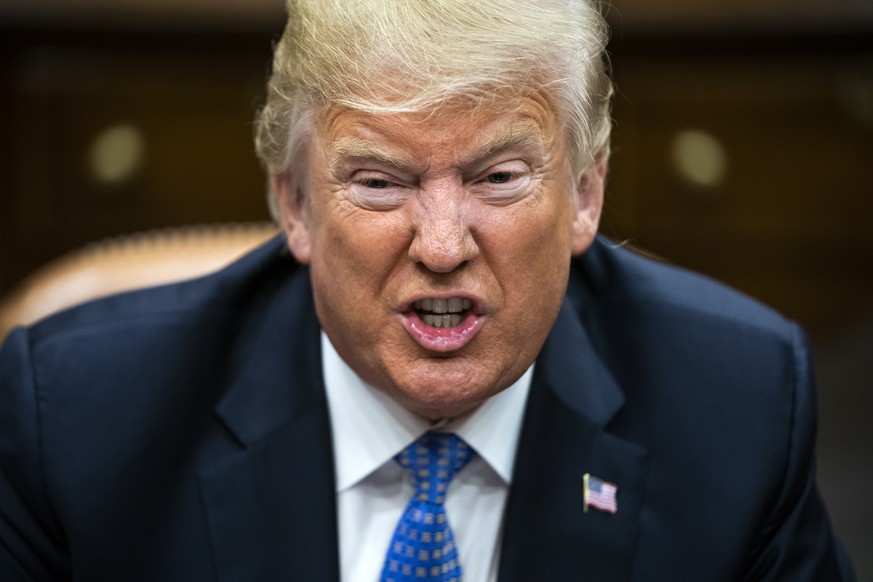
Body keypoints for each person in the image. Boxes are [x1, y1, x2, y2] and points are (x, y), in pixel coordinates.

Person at [0, 0, 855, 580]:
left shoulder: (740, 406)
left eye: (499, 177)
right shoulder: (77, 419)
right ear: (292, 203)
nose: (442, 246)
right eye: (377, 182)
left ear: (585, 194)